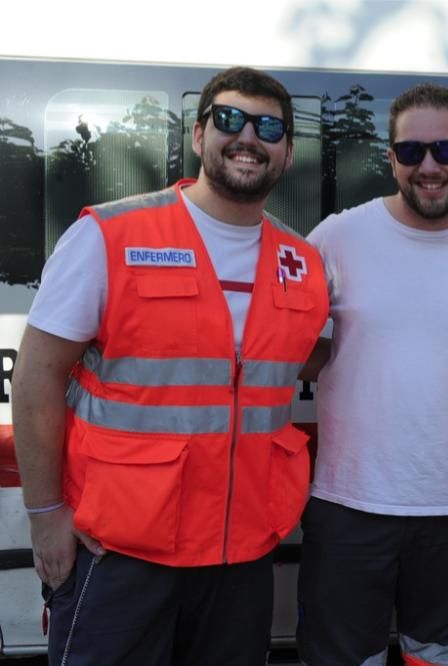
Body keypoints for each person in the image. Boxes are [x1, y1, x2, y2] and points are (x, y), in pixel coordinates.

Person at [12, 66, 329, 665]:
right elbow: (36, 375)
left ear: (287, 152)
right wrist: (45, 513)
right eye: (229, 119)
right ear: (199, 133)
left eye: (269, 127)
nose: (248, 138)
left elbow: (305, 360)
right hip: (122, 552)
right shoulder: (110, 234)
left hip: (240, 556)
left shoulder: (304, 262)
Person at [298, 83, 448, 666]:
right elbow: (302, 350)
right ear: (391, 159)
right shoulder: (335, 238)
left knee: (441, 655)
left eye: (447, 152)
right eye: (412, 152)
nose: (430, 167)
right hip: (352, 500)